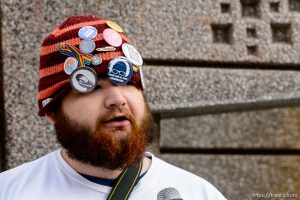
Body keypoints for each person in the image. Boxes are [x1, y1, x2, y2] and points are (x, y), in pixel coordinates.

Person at [0, 15, 227, 200]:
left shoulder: (198, 193)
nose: (117, 99)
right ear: (52, 112)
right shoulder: (10, 191)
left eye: (127, 82)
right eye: (90, 88)